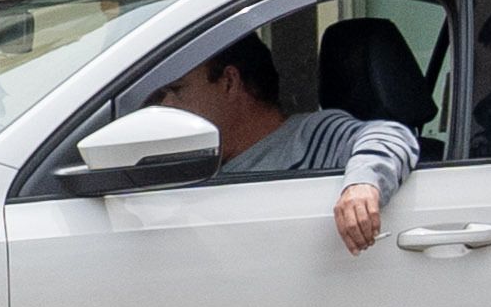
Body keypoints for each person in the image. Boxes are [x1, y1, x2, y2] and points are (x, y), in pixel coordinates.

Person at [151, 29, 420, 254]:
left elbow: (389, 135)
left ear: (230, 82)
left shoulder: (309, 136)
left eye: (177, 90)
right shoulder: (195, 160)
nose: (166, 104)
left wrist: (363, 185)